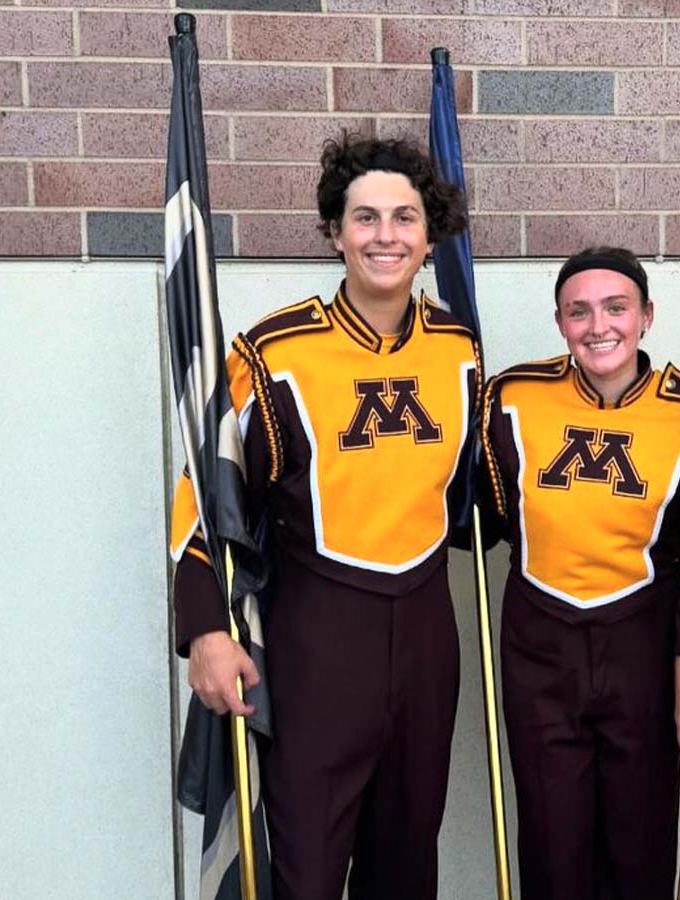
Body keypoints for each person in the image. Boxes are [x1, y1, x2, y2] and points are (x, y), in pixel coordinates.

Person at [167, 134, 479, 900]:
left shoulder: (460, 349)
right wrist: (206, 629)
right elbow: (208, 495)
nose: (386, 236)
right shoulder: (275, 351)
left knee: (406, 862)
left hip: (428, 633)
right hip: (316, 634)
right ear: (335, 232)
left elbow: (477, 492)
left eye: (405, 218)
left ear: (429, 236)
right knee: (303, 863)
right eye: (365, 217)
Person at [480, 247, 680, 900]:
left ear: (646, 316)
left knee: (639, 850)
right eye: (578, 312)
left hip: (643, 647)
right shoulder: (510, 398)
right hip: (540, 649)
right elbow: (488, 515)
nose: (598, 325)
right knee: (553, 850)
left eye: (616, 308)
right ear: (559, 322)